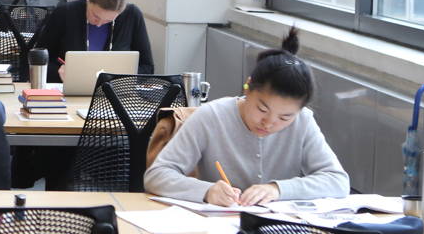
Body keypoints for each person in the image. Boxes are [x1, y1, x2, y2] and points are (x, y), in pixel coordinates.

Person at [144, 30, 349, 205]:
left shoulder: (303, 121)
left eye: (285, 117)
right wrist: (206, 191)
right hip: (216, 226)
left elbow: (337, 181)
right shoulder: (211, 117)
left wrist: (277, 189)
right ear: (247, 87)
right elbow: (157, 175)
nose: (269, 123)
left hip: (278, 231)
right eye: (262, 109)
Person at [33, 0, 154, 82]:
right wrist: (58, 72)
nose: (99, 24)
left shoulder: (132, 15)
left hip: (115, 91)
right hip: (68, 91)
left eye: (109, 21)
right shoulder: (64, 13)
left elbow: (147, 68)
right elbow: (37, 60)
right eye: (96, 16)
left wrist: (122, 77)